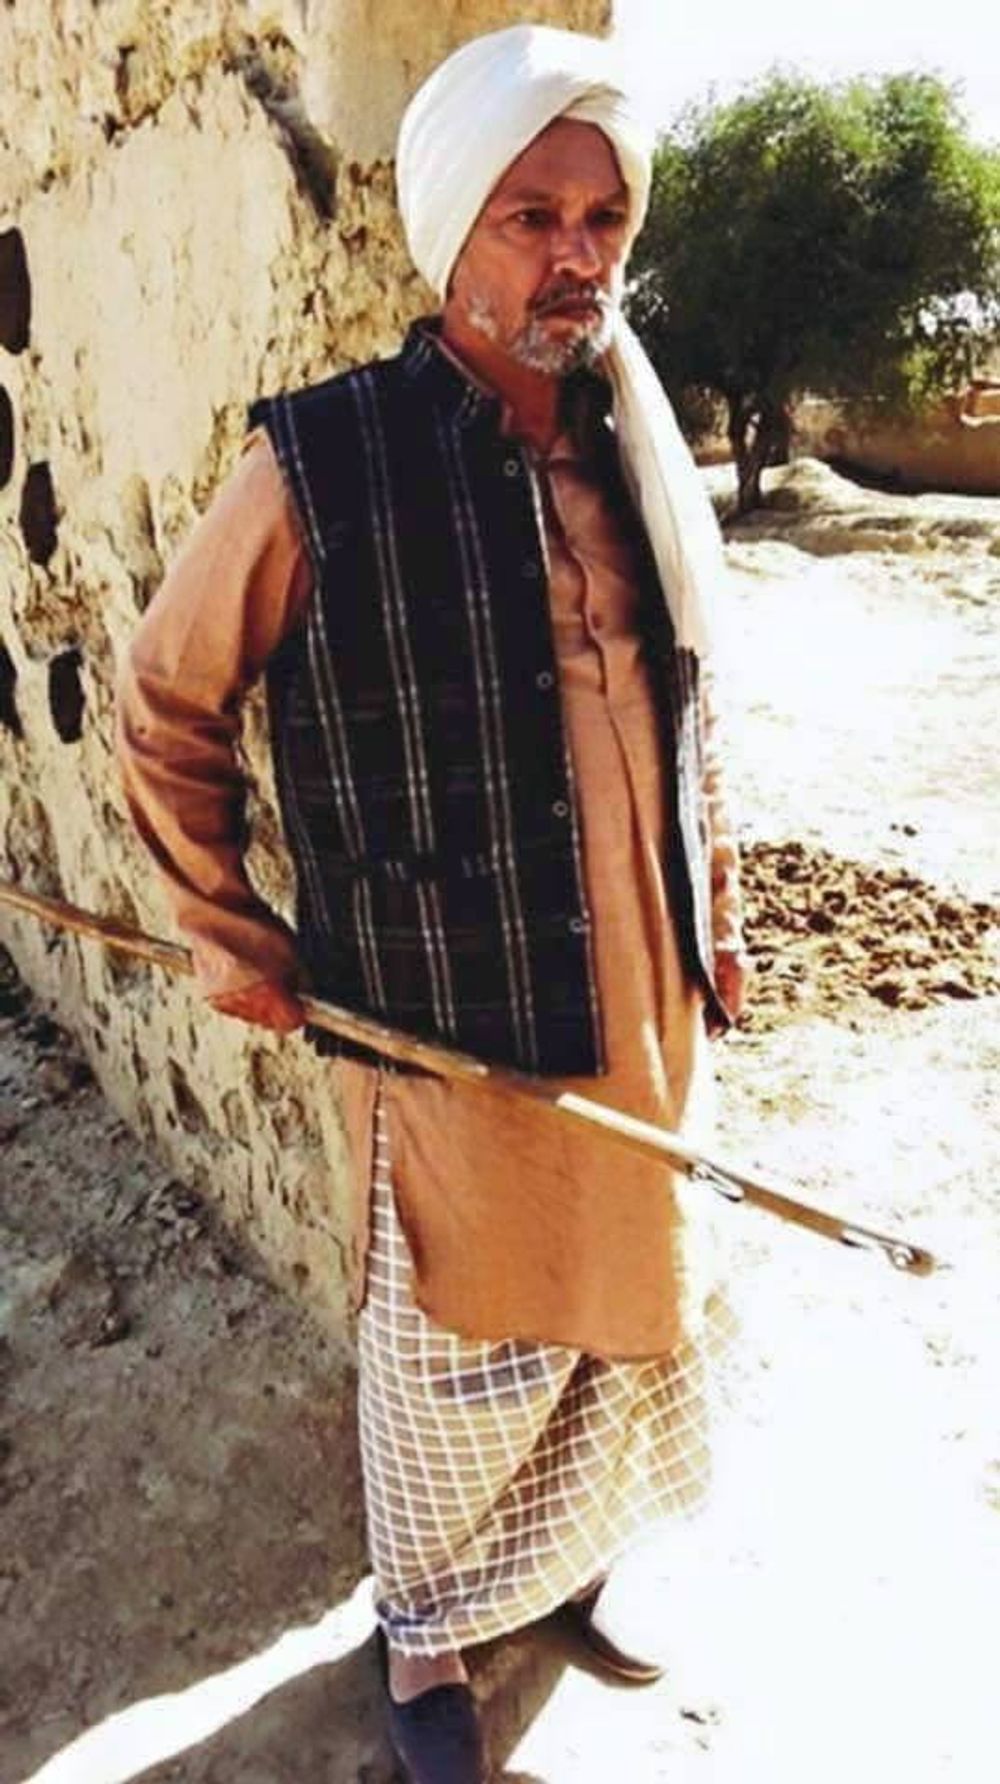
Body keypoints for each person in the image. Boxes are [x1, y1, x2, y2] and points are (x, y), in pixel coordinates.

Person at [116, 24, 749, 1783]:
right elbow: (164, 701)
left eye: (602, 219)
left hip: (639, 986)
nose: (576, 255)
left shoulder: (631, 442)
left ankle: (561, 1578)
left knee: (620, 1317)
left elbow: (691, 699)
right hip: (444, 1006)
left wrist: (717, 905)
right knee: (459, 1349)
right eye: (533, 217)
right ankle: (428, 1639)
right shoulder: (320, 462)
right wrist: (228, 928)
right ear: (454, 227)